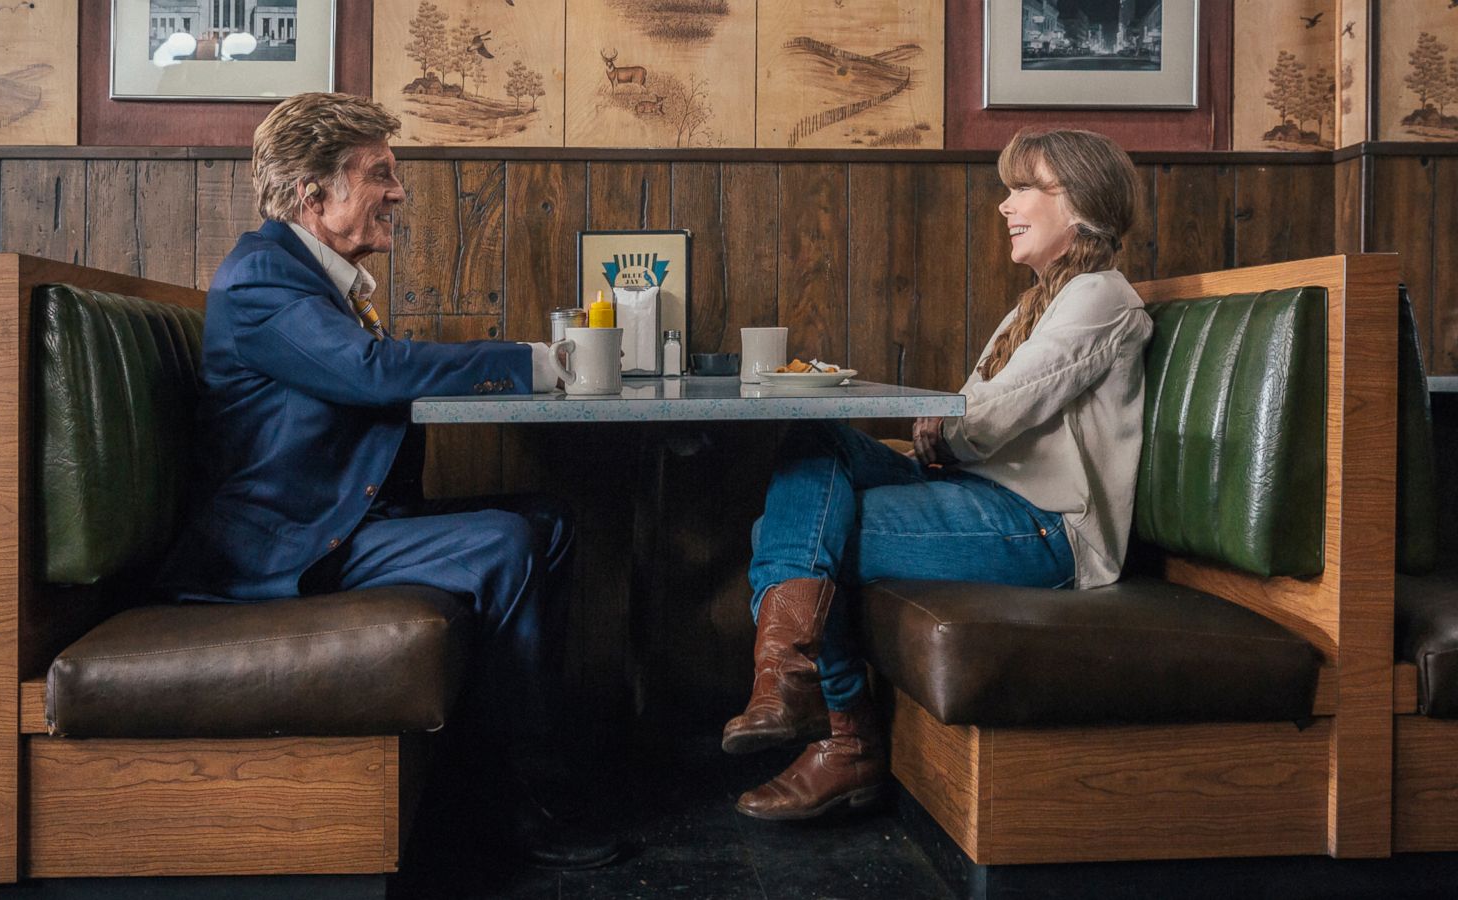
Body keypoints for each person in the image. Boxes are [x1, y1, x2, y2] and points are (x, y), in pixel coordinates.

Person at [156, 92, 618, 870]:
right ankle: (513, 805)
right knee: (506, 543)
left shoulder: (310, 280)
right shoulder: (260, 280)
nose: (398, 194)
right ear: (314, 195)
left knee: (549, 520)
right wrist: (531, 362)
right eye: (380, 175)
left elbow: (372, 376)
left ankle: (511, 771)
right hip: (283, 546)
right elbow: (372, 374)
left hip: (340, 519)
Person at [722, 127, 1153, 821]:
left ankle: (838, 731)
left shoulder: (1099, 296)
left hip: (1047, 530)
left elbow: (990, 414)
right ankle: (790, 673)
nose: (1004, 206)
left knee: (800, 531)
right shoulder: (1037, 302)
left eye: (1024, 189)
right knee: (812, 441)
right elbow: (975, 415)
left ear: (1078, 203)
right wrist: (944, 433)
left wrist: (944, 432)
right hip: (982, 494)